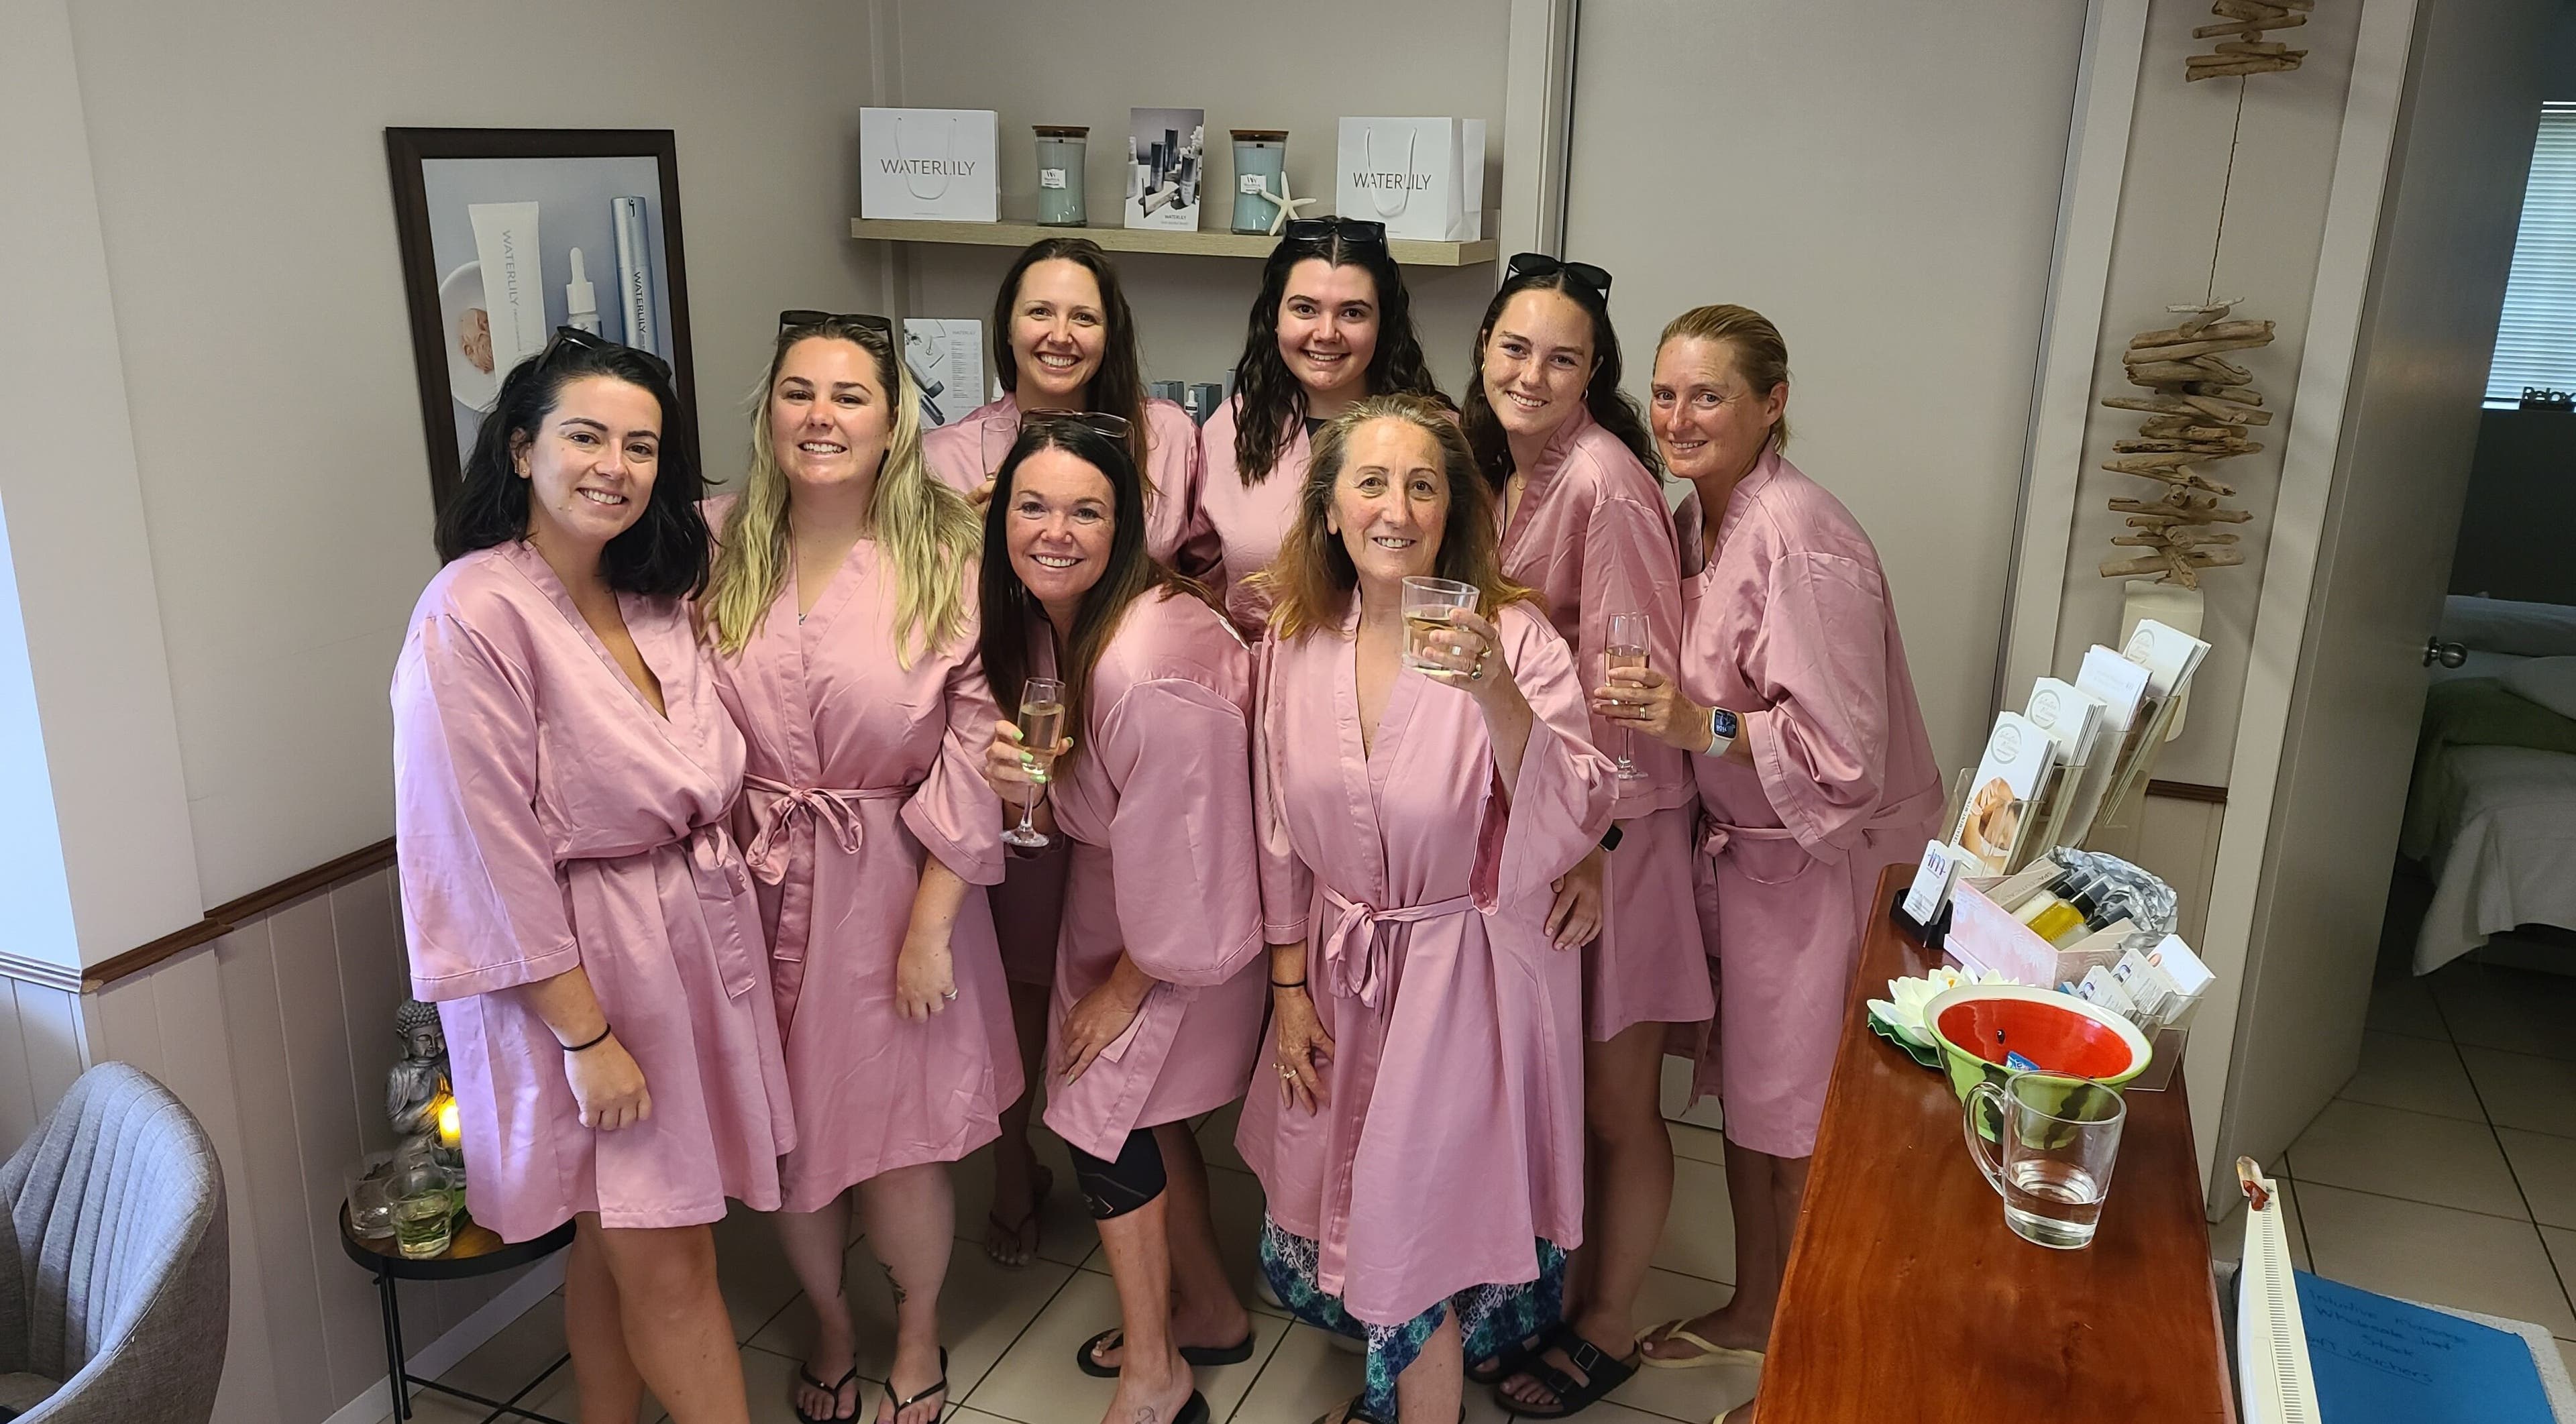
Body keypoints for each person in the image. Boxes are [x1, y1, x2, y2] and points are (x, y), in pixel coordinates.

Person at [392, 328, 790, 1424]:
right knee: (675, 1266)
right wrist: (585, 1038)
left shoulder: (653, 593)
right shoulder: (471, 614)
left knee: (619, 1240)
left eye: (642, 443)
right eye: (585, 435)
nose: (614, 463)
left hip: (682, 939)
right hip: (578, 975)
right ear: (522, 450)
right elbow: (479, 853)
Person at [1237, 394, 1616, 1424]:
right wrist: (1287, 991)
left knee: (1411, 1222)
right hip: (1341, 962)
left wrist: (1498, 693)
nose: (1395, 507)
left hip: (1465, 974)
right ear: (1328, 509)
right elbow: (1279, 830)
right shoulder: (1296, 639)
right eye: (1370, 481)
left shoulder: (1515, 636)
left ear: (1455, 510)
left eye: (1422, 483)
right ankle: (1392, 1397)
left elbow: (1580, 807)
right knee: (1364, 1210)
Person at [1597, 306, 1941, 1423]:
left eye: (1709, 395)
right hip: (1747, 860)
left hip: (1820, 863)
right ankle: (1755, 1306)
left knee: (1803, 1127)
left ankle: (1811, 1367)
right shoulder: (1697, 521)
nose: (1679, 417)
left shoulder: (1801, 535)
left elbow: (1846, 758)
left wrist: (1712, 729)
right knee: (1752, 1105)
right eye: (1665, 393)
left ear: (1772, 401)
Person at [700, 312, 1012, 1424]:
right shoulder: (713, 541)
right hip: (749, 883)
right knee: (790, 1143)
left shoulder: (951, 558)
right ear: (767, 411)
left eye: (849, 396)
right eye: (798, 391)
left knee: (897, 1143)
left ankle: (917, 1327)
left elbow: (979, 748)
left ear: (893, 424)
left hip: (895, 890)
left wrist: (931, 923)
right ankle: (831, 1322)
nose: (821, 416)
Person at [923, 238, 1218, 1266]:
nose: (1060, 334)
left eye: (1083, 315)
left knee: (1122, 986)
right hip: (1014, 738)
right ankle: (1015, 1175)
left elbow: (1207, 569)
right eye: (1039, 312)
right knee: (1015, 977)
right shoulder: (952, 456)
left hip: (1132, 730)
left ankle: (1157, 1246)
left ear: (1112, 330)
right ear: (1004, 325)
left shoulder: (1172, 435)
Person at [1459, 257, 1709, 1417]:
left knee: (1616, 1099)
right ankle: (1553, 1295)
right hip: (1552, 821)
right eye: (1515, 347)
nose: (1532, 372)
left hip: (1620, 835)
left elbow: (1637, 689)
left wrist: (1598, 852)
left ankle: (1607, 1318)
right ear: (1484, 349)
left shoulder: (1606, 483)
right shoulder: (1498, 469)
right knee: (1562, 1087)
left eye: (1562, 357)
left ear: (1594, 372)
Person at [976, 414, 1263, 1424]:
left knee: (1101, 1114)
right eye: (1033, 505)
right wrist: (1022, 790)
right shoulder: (1052, 625)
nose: (1055, 530)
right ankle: (1212, 1312)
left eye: (1087, 510)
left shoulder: (1148, 663)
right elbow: (1069, 790)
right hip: (1115, 903)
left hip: (1173, 932)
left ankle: (1157, 1375)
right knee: (1136, 1115)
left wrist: (1127, 983)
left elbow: (1194, 855)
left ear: (1126, 523)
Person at [1199, 217, 1448, 637]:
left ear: (1383, 324)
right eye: (1305, 309)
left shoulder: (1435, 438)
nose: (1326, 333)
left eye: (1352, 312)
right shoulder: (1232, 427)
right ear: (1274, 317)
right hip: (1255, 684)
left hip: (1399, 680)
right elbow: (1201, 584)